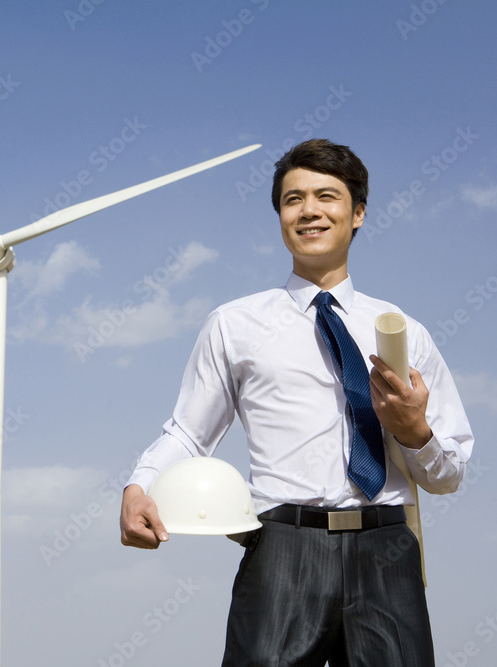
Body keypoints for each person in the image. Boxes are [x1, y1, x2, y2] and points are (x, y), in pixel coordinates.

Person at [119, 139, 474, 666]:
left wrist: (413, 430)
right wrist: (139, 483)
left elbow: (448, 474)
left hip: (387, 550)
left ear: (358, 214)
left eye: (326, 196)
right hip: (283, 549)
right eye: (293, 199)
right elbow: (191, 433)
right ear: (281, 217)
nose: (309, 210)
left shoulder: (403, 332)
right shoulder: (234, 324)